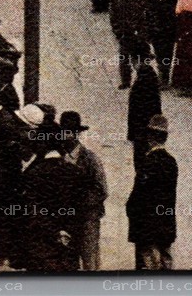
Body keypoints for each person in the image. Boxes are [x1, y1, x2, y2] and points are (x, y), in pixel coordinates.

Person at [0, 91, 33, 269]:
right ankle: (2, 259)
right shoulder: (5, 120)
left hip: (2, 185)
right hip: (2, 184)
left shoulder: (5, 123)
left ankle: (1, 260)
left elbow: (5, 153)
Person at [19, 119, 82, 272]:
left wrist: (54, 232)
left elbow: (34, 211)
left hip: (42, 246)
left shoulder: (34, 174)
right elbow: (81, 207)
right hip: (69, 243)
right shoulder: (75, 172)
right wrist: (65, 231)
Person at [126, 114, 177, 270]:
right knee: (166, 263)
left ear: (150, 137)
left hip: (147, 227)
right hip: (166, 224)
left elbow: (139, 195)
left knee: (148, 265)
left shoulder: (148, 162)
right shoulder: (171, 162)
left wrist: (130, 209)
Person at [61, 112, 106, 271]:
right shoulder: (59, 157)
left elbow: (102, 190)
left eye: (70, 132)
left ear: (77, 133)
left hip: (88, 218)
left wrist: (81, 200)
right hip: (66, 219)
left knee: (90, 261)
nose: (66, 135)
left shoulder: (90, 159)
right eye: (64, 131)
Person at [110, 0, 151, 88]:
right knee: (124, 57)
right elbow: (113, 12)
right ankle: (125, 81)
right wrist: (117, 30)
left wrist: (142, 30)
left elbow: (144, 10)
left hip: (138, 30)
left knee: (140, 56)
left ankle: (142, 79)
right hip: (123, 30)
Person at [126, 59, 162, 170]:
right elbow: (158, 111)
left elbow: (131, 114)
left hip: (139, 129)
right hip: (151, 129)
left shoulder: (136, 90)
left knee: (139, 159)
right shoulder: (154, 90)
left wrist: (130, 134)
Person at [147, 0, 180, 87]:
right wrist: (150, 31)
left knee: (169, 54)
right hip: (157, 32)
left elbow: (178, 12)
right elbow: (148, 15)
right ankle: (163, 76)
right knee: (160, 54)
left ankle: (165, 76)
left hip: (170, 30)